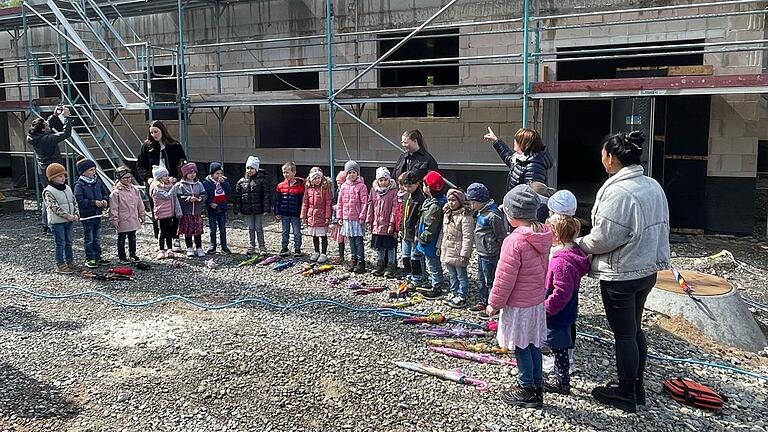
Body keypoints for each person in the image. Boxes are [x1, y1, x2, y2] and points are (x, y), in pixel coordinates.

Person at [576, 131, 670, 413]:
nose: (601, 158)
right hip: (647, 268)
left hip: (622, 272)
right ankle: (636, 387)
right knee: (634, 329)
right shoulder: (651, 185)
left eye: (603, 154)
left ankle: (626, 392)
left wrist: (577, 244)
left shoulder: (619, 191)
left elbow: (605, 237)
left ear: (612, 157)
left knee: (624, 334)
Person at [487, 184, 553, 408]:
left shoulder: (514, 241)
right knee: (533, 344)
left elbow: (504, 277)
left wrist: (493, 303)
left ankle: (527, 390)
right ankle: (536, 385)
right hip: (535, 302)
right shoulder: (542, 234)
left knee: (522, 347)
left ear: (512, 215)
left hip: (519, 305)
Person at [542, 197, 589, 395]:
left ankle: (562, 382)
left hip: (557, 312)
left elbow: (561, 291)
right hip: (568, 309)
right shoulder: (572, 252)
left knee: (558, 347)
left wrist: (547, 307)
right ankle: (559, 376)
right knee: (561, 344)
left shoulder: (560, 261)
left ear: (558, 236)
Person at [136, 120, 187, 248]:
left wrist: (177, 177)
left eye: (156, 132)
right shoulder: (147, 146)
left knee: (175, 210)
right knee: (157, 211)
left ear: (162, 131)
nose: (154, 134)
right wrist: (147, 178)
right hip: (155, 184)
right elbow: (140, 165)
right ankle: (160, 238)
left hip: (172, 182)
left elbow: (182, 162)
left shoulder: (174, 145)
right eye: (152, 132)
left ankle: (175, 237)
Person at [26, 106, 73, 231]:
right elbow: (66, 134)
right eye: (47, 126)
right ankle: (55, 222)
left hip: (43, 170)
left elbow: (45, 127)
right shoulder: (48, 139)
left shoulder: (33, 138)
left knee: (47, 196)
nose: (49, 126)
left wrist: (54, 116)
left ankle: (46, 223)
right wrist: (67, 118)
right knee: (57, 196)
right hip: (54, 169)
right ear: (42, 129)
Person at [465, 183, 506, 315]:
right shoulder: (481, 213)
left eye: (473, 202)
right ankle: (483, 301)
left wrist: (499, 251)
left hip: (491, 253)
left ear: (481, 201)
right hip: (482, 251)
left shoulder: (493, 215)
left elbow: (501, 236)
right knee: (481, 278)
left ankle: (493, 305)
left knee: (491, 279)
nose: (471, 205)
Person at [484, 126, 553, 191]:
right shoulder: (522, 159)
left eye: (516, 140)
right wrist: (496, 140)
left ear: (524, 143)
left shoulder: (534, 167)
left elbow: (530, 196)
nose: (514, 142)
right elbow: (508, 158)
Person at [440, 188, 474, 308]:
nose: (451, 203)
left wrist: (465, 254)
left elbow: (468, 237)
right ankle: (453, 292)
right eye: (449, 200)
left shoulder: (465, 216)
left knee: (461, 274)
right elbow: (443, 233)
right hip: (448, 249)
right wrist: (440, 246)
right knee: (452, 274)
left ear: (460, 200)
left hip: (458, 251)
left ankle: (462, 295)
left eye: (454, 200)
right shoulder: (447, 214)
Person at [73, 157, 111, 268]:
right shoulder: (79, 185)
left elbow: (105, 193)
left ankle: (98, 257)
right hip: (87, 215)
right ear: (83, 172)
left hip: (98, 214)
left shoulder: (97, 182)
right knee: (89, 238)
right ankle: (89, 258)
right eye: (91, 170)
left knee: (97, 237)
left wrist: (105, 200)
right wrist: (93, 202)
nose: (93, 172)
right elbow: (79, 200)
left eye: (94, 169)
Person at [43, 163, 80, 273]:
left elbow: (74, 201)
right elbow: (54, 207)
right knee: (60, 243)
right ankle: (60, 264)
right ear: (52, 178)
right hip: (57, 222)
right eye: (60, 176)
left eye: (64, 175)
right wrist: (67, 216)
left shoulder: (68, 188)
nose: (63, 178)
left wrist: (77, 214)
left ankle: (70, 261)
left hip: (69, 220)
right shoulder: (48, 191)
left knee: (69, 241)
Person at [416, 170, 447, 299]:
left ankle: (437, 287)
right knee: (430, 263)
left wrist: (423, 238)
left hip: (430, 241)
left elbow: (431, 227)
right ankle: (433, 282)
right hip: (427, 239)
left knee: (433, 263)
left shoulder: (435, 206)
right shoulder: (431, 201)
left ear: (428, 188)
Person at [233, 156, 272, 254]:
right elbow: (238, 197)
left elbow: (266, 195)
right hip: (247, 209)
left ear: (256, 169)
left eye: (252, 168)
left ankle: (262, 246)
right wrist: (237, 209)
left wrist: (266, 209)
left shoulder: (262, 180)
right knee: (250, 227)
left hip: (258, 209)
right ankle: (252, 246)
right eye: (248, 168)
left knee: (258, 227)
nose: (249, 170)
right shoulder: (241, 182)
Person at [366, 167, 398, 278]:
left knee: (390, 246)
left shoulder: (393, 191)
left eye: (385, 179)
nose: (383, 182)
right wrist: (369, 221)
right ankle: (380, 263)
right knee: (379, 246)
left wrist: (392, 223)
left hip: (388, 223)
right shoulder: (373, 191)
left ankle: (391, 264)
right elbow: (370, 206)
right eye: (381, 180)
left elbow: (395, 208)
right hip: (377, 223)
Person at [109, 166, 145, 263]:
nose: (128, 179)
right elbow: (114, 208)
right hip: (122, 219)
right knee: (121, 238)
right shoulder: (116, 193)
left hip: (133, 217)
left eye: (129, 177)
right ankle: (122, 257)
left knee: (132, 237)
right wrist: (114, 219)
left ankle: (133, 254)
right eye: (125, 178)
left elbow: (140, 203)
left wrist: (142, 214)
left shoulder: (135, 190)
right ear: (119, 179)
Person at [337, 160, 368, 273]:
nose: (351, 175)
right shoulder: (344, 186)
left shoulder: (362, 186)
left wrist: (362, 216)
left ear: (357, 173)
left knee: (358, 241)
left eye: (354, 172)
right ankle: (353, 260)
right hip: (347, 218)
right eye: (349, 172)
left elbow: (365, 203)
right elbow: (340, 202)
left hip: (357, 219)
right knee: (350, 241)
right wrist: (339, 216)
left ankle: (361, 261)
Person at [173, 162, 207, 257]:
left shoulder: (199, 184)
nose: (192, 175)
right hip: (186, 212)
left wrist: (200, 199)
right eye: (190, 173)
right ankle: (189, 247)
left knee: (198, 231)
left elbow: (204, 194)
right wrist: (188, 199)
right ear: (185, 174)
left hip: (196, 212)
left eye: (194, 172)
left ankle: (199, 247)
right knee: (188, 231)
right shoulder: (181, 185)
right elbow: (179, 197)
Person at [399, 171, 426, 290]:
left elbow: (421, 219)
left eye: (410, 185)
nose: (407, 188)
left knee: (416, 256)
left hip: (414, 234)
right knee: (405, 256)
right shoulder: (406, 196)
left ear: (417, 184)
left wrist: (417, 233)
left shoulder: (420, 198)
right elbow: (403, 215)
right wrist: (400, 228)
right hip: (405, 232)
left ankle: (418, 277)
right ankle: (409, 273)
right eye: (405, 185)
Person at [301, 167, 333, 263]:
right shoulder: (308, 189)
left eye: (318, 178)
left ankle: (323, 253)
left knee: (322, 235)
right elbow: (305, 202)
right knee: (314, 235)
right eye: (314, 178)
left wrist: (328, 216)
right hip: (312, 216)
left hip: (321, 215)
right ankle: (316, 251)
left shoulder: (325, 188)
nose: (317, 180)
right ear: (311, 179)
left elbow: (328, 203)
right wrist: (303, 216)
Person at [275, 162, 305, 257]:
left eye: (287, 172)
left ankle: (297, 249)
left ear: (294, 172)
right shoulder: (280, 186)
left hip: (295, 214)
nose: (285, 174)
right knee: (285, 232)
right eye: (284, 172)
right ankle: (284, 248)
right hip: (284, 213)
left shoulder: (300, 186)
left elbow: (302, 201)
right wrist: (277, 212)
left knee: (297, 232)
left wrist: (302, 214)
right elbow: (277, 201)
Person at [202, 162, 232, 255]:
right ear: (212, 174)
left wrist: (224, 184)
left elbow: (228, 191)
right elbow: (205, 195)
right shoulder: (206, 183)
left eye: (220, 173)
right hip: (211, 209)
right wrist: (210, 203)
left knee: (222, 228)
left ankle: (224, 246)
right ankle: (212, 245)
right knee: (212, 228)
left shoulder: (224, 182)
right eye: (217, 173)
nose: (219, 175)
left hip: (222, 208)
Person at [149, 165, 177, 260]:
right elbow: (167, 196)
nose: (167, 177)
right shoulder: (156, 188)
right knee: (162, 231)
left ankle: (169, 249)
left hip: (169, 212)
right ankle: (161, 249)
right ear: (159, 177)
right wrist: (174, 187)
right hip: (161, 213)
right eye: (165, 176)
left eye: (167, 175)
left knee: (169, 231)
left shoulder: (169, 186)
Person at [330, 170, 347, 265]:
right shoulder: (337, 190)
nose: (339, 184)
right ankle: (341, 255)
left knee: (348, 238)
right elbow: (334, 200)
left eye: (340, 182)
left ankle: (354, 256)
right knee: (340, 238)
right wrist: (334, 206)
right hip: (338, 216)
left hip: (345, 217)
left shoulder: (346, 190)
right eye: (337, 182)